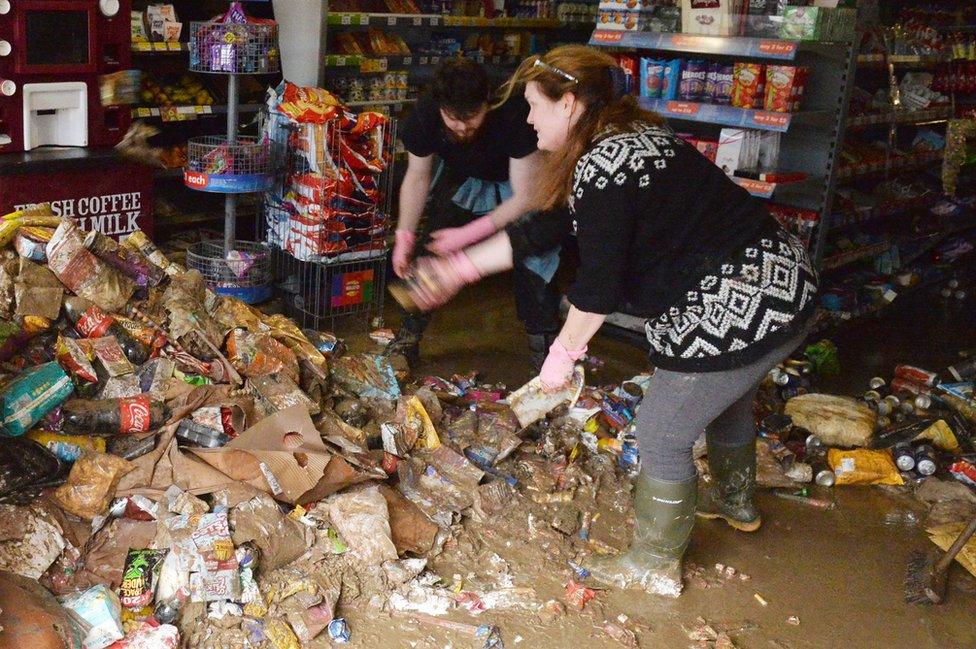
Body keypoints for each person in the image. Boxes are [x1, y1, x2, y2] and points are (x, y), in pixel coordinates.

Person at [390, 45, 819, 598]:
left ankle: (654, 562)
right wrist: (460, 269)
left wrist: (558, 362)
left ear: (569, 105)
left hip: (745, 299)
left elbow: (596, 290)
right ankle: (735, 503)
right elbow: (547, 229)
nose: (525, 120)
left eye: (533, 106)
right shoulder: (626, 142)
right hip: (786, 286)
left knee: (663, 430)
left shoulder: (604, 166)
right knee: (725, 395)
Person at [389, 57, 568, 369]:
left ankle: (547, 357)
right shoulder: (424, 116)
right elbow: (417, 177)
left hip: (524, 185)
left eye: (471, 117)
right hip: (469, 181)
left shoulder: (513, 111)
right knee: (428, 252)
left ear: (487, 102)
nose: (461, 126)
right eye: (453, 119)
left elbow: (527, 196)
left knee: (536, 261)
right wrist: (404, 234)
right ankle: (406, 339)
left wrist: (471, 234)